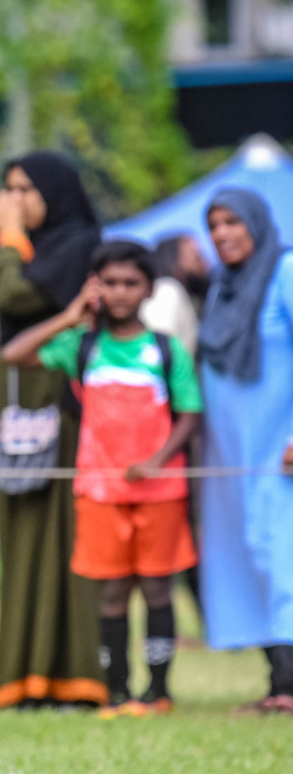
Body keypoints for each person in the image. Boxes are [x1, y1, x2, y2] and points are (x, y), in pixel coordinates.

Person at [1, 241, 201, 716]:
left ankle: (158, 692)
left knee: (156, 588)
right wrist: (71, 316)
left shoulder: (166, 349)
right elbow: (14, 353)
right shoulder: (83, 344)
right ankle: (116, 691)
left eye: (131, 283)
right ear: (95, 287)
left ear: (149, 289)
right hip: (98, 489)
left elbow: (191, 414)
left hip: (160, 490)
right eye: (109, 282)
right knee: (112, 590)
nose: (120, 292)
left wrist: (157, 459)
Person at [0, 151, 105, 708]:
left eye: (25, 188)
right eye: (8, 189)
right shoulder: (37, 246)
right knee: (21, 532)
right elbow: (10, 324)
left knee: (65, 533)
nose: (14, 200)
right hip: (16, 400)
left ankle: (75, 675)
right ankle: (23, 678)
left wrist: (6, 236)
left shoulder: (78, 242)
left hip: (64, 402)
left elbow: (13, 296)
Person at [195, 188, 293, 714]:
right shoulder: (221, 287)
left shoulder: (286, 271)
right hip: (230, 455)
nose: (223, 234)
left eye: (233, 221)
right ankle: (279, 684)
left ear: (257, 221)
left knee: (281, 555)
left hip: (280, 452)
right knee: (245, 559)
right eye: (214, 225)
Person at [142, 233, 209, 353]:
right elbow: (164, 347)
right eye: (197, 255)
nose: (204, 261)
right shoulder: (166, 292)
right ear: (173, 256)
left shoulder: (189, 294)